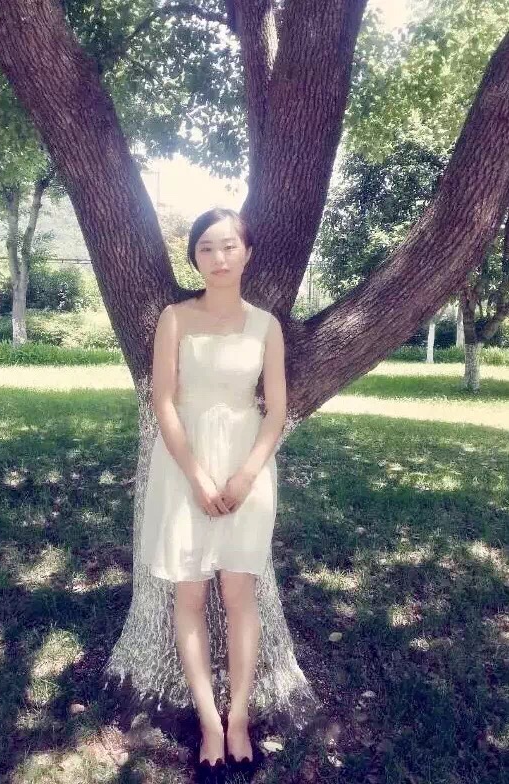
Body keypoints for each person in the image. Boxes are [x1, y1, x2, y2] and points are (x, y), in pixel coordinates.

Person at [140, 207, 287, 782]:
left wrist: (246, 474)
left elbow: (275, 410)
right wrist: (197, 476)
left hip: (247, 469)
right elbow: (163, 400)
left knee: (241, 593)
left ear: (247, 253)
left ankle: (240, 716)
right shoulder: (175, 318)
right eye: (206, 248)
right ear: (195, 257)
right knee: (191, 597)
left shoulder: (266, 326)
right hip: (184, 470)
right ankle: (208, 722)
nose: (218, 258)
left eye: (228, 246)